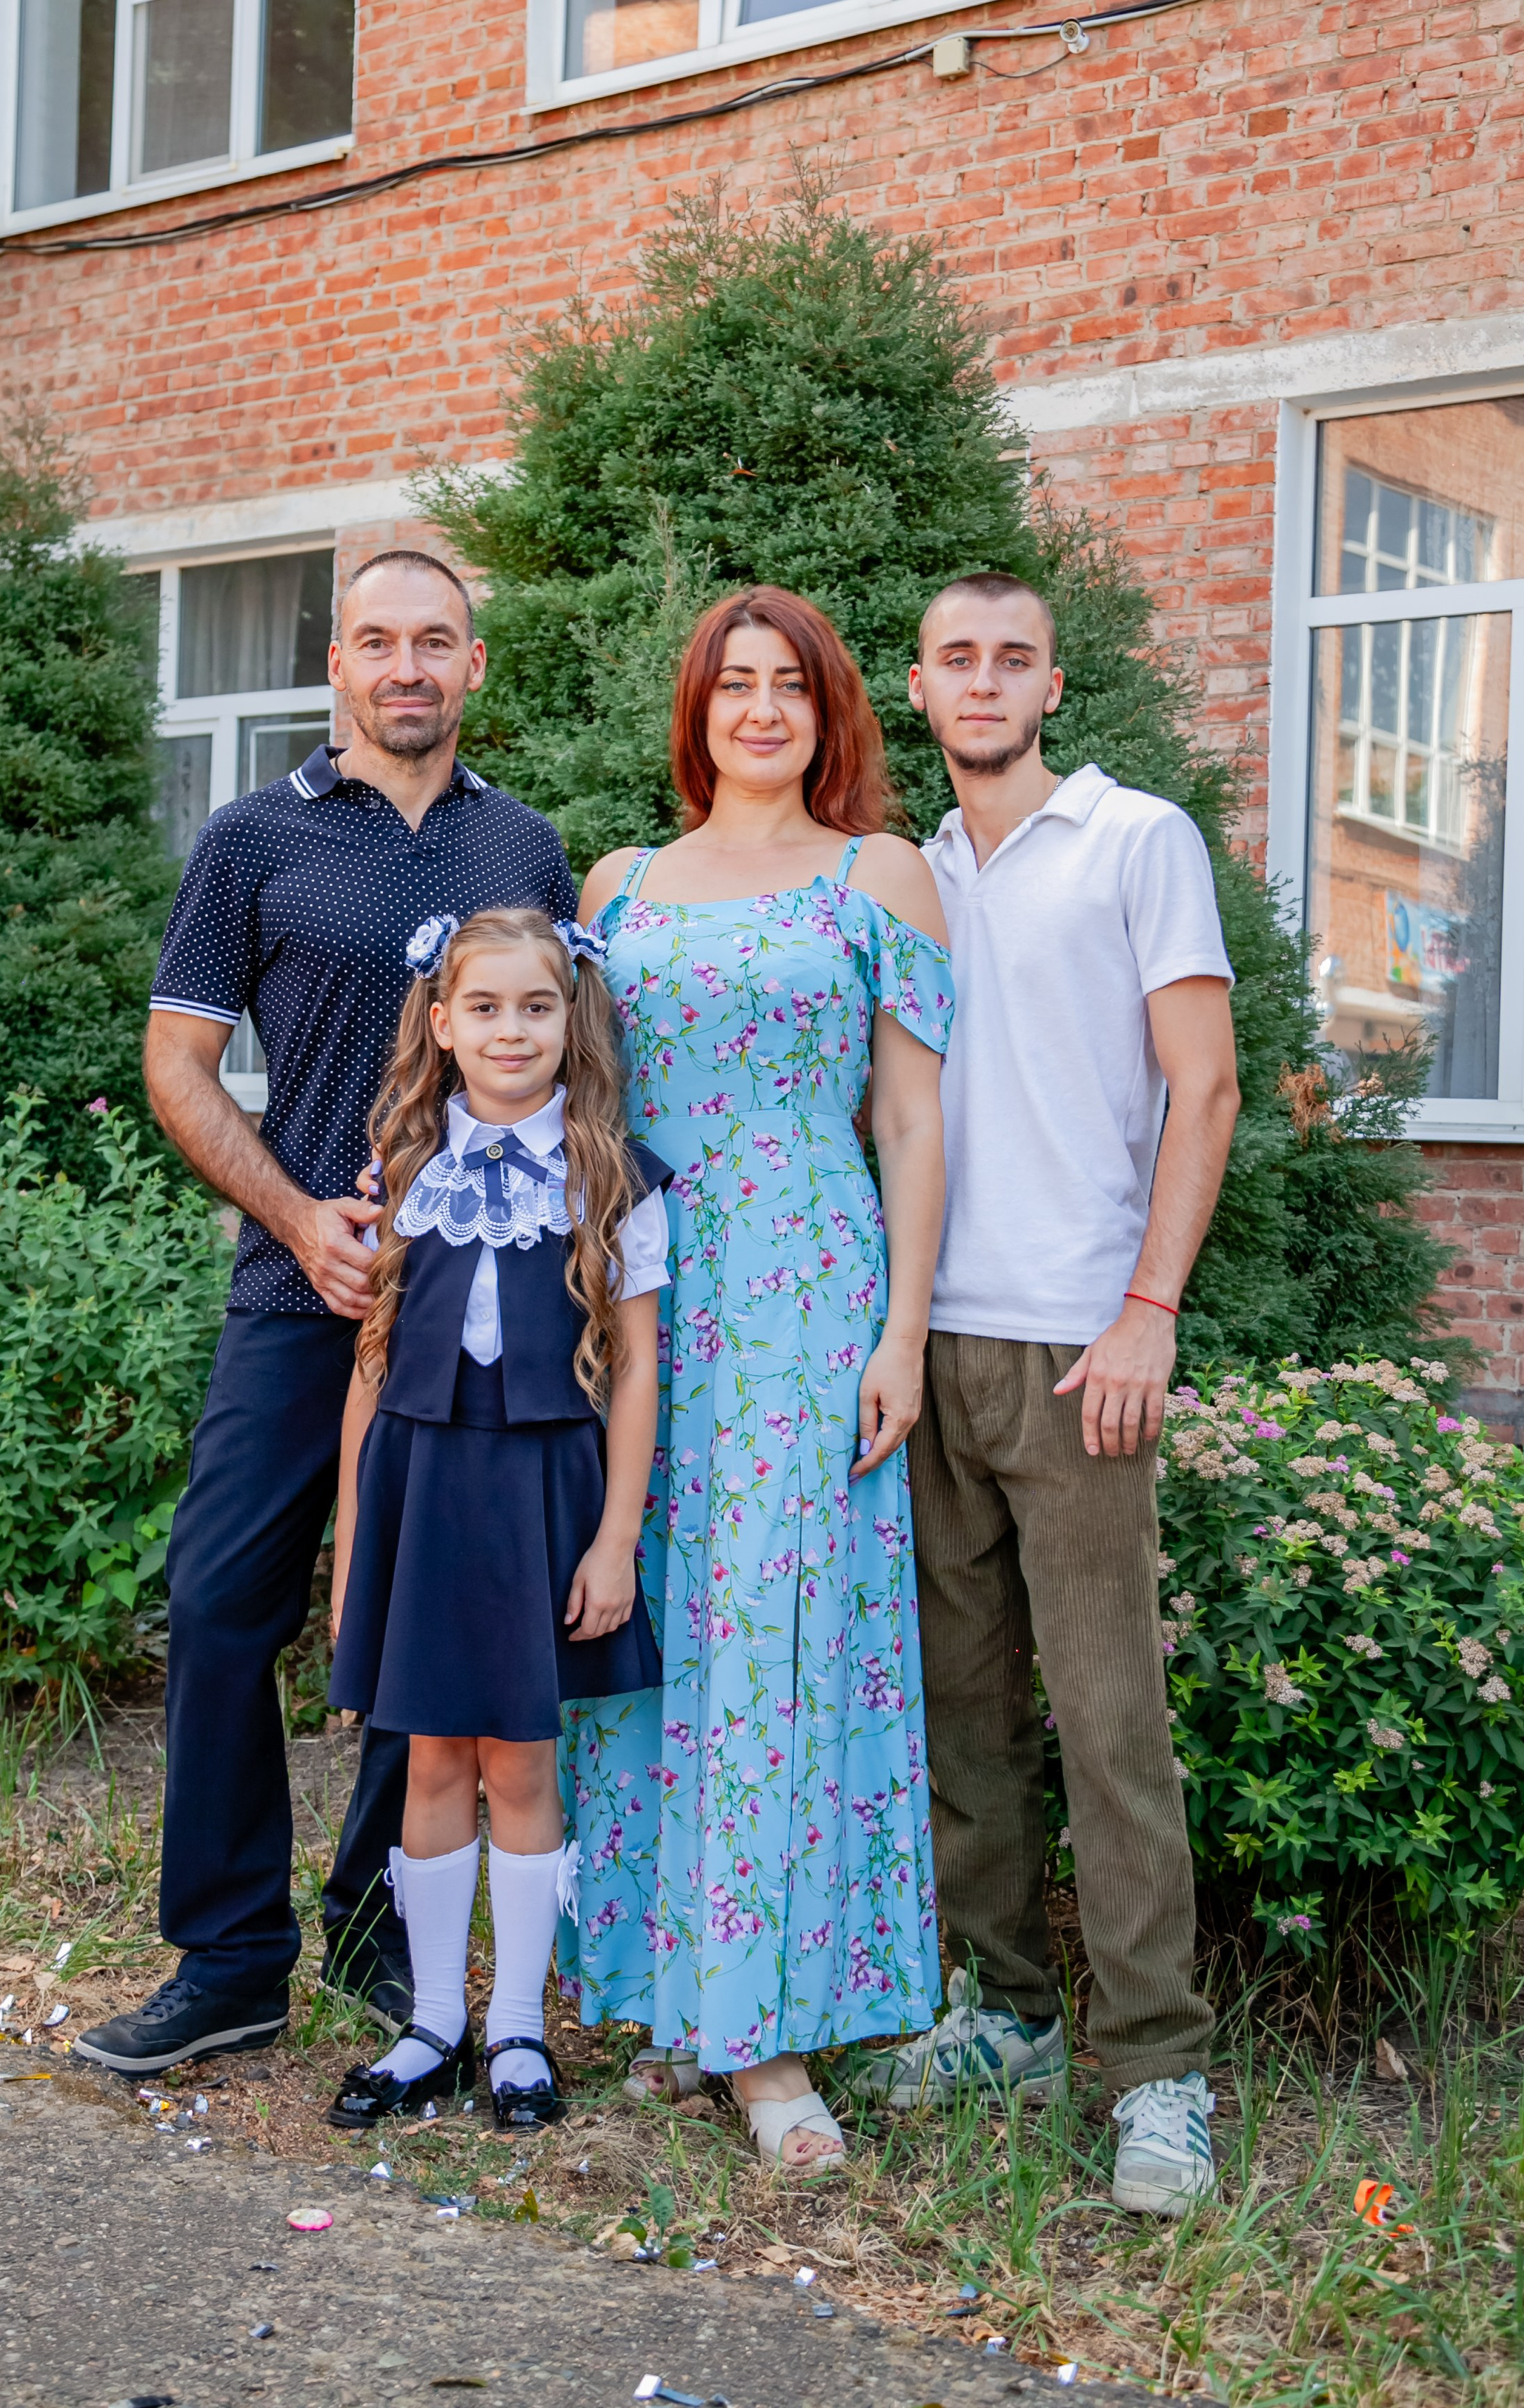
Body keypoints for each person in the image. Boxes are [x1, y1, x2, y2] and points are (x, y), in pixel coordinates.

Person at [75, 551, 577, 2078]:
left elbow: (560, 1056)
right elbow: (177, 1066)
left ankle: (376, 1931)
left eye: (435, 641)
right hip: (303, 1286)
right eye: (377, 642)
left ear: (473, 667)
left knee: (416, 1611)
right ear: (338, 667)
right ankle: (229, 1959)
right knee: (225, 1595)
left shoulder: (526, 846)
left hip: (478, 1307)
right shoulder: (251, 840)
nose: (406, 666)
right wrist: (300, 1219)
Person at [852, 571, 1239, 2219]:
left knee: (1108, 1726)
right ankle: (1002, 2014)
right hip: (925, 1342)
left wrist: (1148, 1308)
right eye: (957, 660)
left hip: (1084, 1347)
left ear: (1052, 687)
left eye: (1012, 658)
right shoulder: (901, 869)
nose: (985, 681)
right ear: (920, 692)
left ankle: (1154, 2069)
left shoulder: (1135, 838)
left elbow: (1203, 1081)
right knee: (959, 1714)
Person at [567, 585, 955, 2172]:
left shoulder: (884, 875)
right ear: (697, 709)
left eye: (787, 685)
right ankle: (679, 1999)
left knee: (785, 1640)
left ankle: (775, 2039)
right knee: (656, 1631)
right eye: (731, 685)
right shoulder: (622, 882)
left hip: (810, 1299)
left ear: (827, 711)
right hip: (652, 1305)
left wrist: (902, 1334)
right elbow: (570, 1093)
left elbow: (915, 1124)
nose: (758, 711)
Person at [323, 906, 669, 2132]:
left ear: (571, 1018)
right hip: (422, 1494)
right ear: (441, 1023)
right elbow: (371, 1366)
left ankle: (516, 2029)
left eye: (536, 1006)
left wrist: (617, 1536)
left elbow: (637, 1369)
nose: (511, 1030)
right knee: (429, 1755)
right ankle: (431, 2023)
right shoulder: (402, 1169)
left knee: (521, 1758)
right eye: (484, 1008)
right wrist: (355, 1538)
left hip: (542, 1500)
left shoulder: (612, 1180)